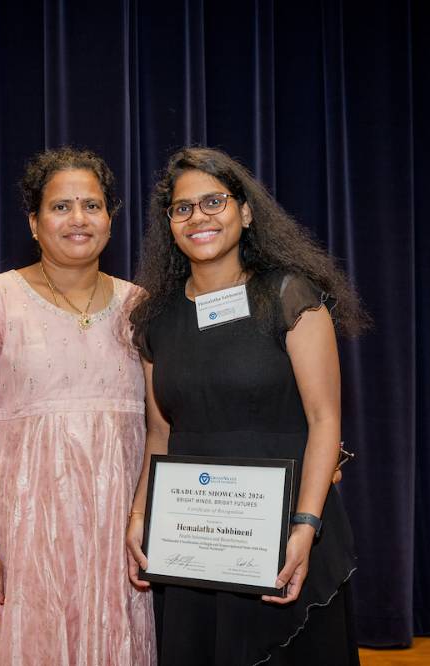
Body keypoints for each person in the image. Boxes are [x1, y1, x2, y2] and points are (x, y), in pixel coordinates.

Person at [126, 146, 368, 665]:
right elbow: (159, 433)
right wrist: (140, 513)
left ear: (246, 211)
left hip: (284, 534)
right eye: (183, 208)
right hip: (194, 538)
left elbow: (325, 420)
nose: (199, 217)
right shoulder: (155, 318)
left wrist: (305, 526)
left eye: (214, 201)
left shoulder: (289, 295)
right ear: (169, 223)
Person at [0, 147, 155, 665]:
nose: (78, 218)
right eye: (60, 207)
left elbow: (176, 415)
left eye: (92, 205)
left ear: (110, 218)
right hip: (19, 538)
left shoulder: (141, 306)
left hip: (114, 540)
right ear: (34, 223)